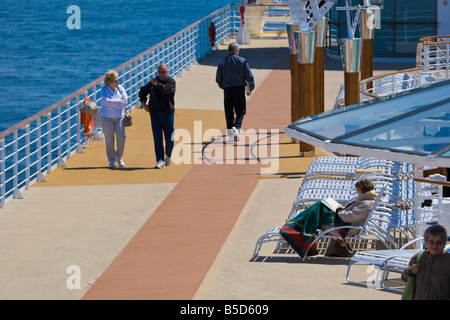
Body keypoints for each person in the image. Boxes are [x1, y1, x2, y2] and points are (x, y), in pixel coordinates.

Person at [280, 178, 378, 258]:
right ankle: (297, 226)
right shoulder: (365, 200)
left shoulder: (365, 203)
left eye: (358, 190)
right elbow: (351, 215)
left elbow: (349, 217)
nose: (357, 192)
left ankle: (294, 227)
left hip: (344, 227)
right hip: (344, 224)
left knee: (318, 209)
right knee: (319, 208)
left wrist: (339, 210)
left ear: (361, 191)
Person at [215, 42, 255, 142]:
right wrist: (249, 89)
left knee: (229, 111)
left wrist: (223, 86)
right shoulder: (242, 61)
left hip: (227, 89)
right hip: (239, 89)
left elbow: (218, 78)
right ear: (236, 51)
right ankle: (236, 127)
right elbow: (249, 76)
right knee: (241, 110)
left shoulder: (222, 62)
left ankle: (231, 135)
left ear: (229, 51)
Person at [139, 64, 176, 169]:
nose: (161, 74)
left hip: (168, 113)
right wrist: (144, 104)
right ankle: (160, 160)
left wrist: (156, 84)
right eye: (159, 72)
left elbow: (167, 90)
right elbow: (142, 91)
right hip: (155, 114)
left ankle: (168, 155)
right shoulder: (152, 84)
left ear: (167, 72)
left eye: (164, 72)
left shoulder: (171, 82)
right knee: (157, 138)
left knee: (169, 137)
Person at [402, 224, 450, 300]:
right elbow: (404, 278)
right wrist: (410, 271)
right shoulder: (418, 258)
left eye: (438, 242)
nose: (434, 246)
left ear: (444, 243)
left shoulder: (447, 261)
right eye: (431, 242)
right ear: (426, 242)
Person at [100, 70, 128, 168]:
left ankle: (119, 156)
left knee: (121, 138)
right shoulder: (104, 90)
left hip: (119, 117)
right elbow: (106, 102)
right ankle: (111, 159)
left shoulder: (120, 88)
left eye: (118, 80)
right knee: (109, 139)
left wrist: (113, 102)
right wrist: (118, 102)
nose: (117, 82)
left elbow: (125, 102)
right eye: (115, 81)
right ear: (109, 82)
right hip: (106, 117)